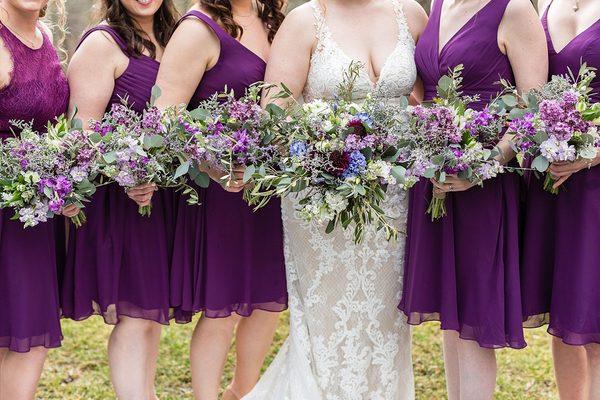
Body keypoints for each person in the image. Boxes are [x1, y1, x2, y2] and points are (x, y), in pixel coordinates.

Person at [243, 0, 427, 398]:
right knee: (329, 317)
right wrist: (327, 150)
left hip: (393, 199)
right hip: (322, 196)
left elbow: (426, 103)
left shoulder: (409, 13)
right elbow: (274, 114)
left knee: (383, 320)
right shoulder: (305, 21)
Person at [398, 0, 548, 398]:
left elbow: (532, 108)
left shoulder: (515, 10)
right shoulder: (438, 4)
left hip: (485, 185)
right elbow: (424, 89)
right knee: (452, 315)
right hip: (435, 176)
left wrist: (484, 164)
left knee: (475, 318)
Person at [154, 1, 287, 398]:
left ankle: (241, 391)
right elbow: (165, 114)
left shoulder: (272, 20)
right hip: (222, 194)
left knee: (269, 304)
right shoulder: (198, 28)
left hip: (269, 190)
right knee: (221, 309)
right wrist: (214, 165)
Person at [61, 1, 179, 398]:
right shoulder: (102, 44)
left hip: (162, 200)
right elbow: (82, 133)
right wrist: (128, 175)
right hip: (121, 202)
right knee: (133, 317)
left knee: (149, 318)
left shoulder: (172, 39)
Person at [521, 0, 600, 398]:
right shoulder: (545, 2)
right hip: (555, 183)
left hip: (597, 182)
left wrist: (594, 151)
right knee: (565, 313)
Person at [0, 0, 69, 398]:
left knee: (22, 335)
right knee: (26, 336)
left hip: (34, 212)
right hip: (9, 212)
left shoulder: (44, 40)